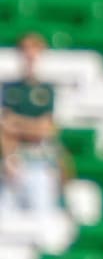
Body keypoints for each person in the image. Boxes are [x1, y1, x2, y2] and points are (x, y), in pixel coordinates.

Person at [0, 33, 61, 215]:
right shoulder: (10, 89)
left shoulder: (46, 90)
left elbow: (46, 129)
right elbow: (3, 126)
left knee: (41, 213)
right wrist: (10, 157)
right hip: (14, 161)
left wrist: (16, 124)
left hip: (39, 161)